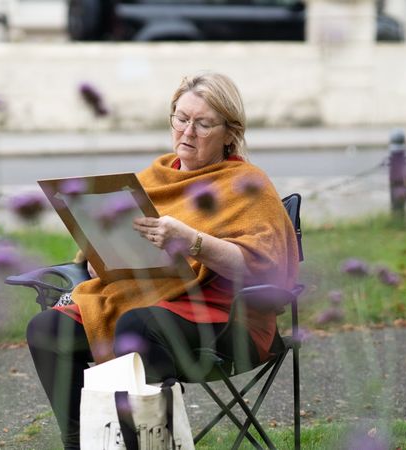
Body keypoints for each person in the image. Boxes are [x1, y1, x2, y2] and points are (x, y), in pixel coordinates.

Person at [26, 72, 299, 450]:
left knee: (139, 325)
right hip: (145, 298)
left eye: (203, 124)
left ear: (230, 133)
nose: (187, 131)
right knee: (46, 329)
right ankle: (81, 443)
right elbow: (112, 239)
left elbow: (262, 267)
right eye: (181, 118)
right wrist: (100, 257)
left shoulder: (248, 185)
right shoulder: (154, 176)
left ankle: (150, 443)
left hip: (228, 318)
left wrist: (192, 241)